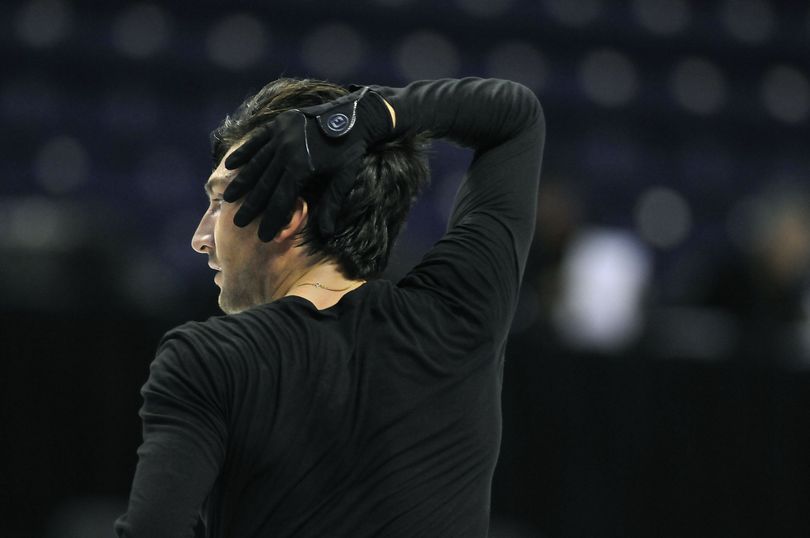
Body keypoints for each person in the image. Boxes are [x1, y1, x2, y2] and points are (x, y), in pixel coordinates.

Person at [114, 76, 545, 537]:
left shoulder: (208, 357)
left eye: (220, 201)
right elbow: (515, 118)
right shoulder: (460, 315)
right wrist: (355, 119)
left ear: (285, 215)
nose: (201, 238)